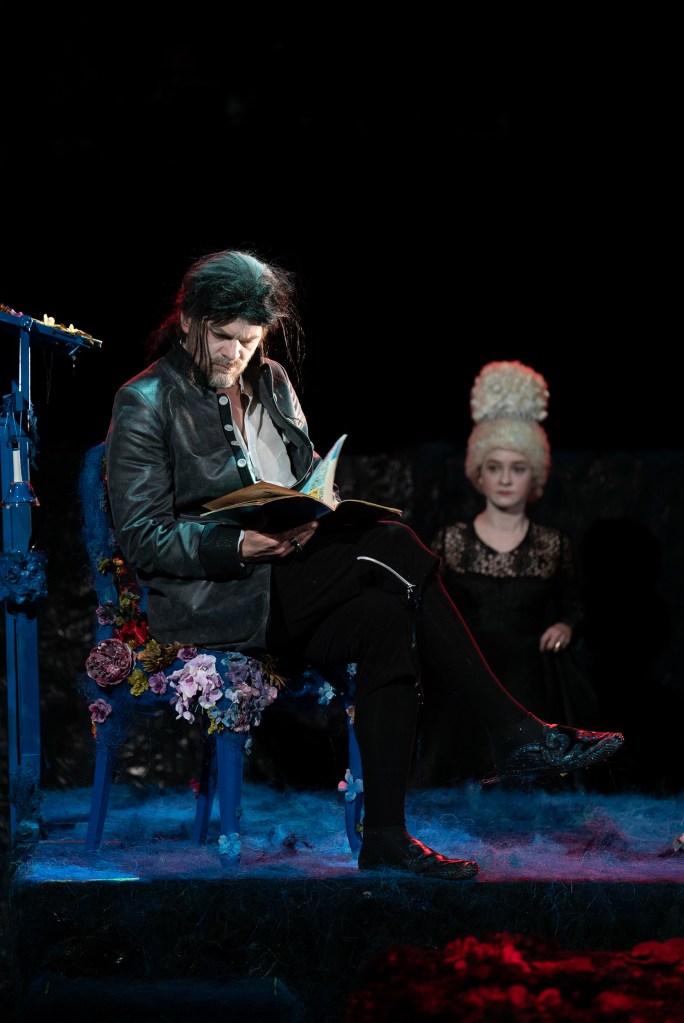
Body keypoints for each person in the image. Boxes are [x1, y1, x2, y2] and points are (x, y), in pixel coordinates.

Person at [104, 249, 624, 881]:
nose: (234, 354)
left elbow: (305, 479)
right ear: (189, 321)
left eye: (250, 339)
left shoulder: (271, 382)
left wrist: (316, 508)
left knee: (384, 621)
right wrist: (239, 545)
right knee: (394, 543)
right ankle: (513, 730)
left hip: (293, 578)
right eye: (222, 337)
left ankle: (385, 838)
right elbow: (144, 537)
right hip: (219, 597)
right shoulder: (145, 399)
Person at [428, 361, 604, 785]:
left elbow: (575, 605)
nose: (505, 479)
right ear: (478, 473)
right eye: (494, 467)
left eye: (517, 468)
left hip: (532, 679)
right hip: (468, 677)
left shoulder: (553, 544)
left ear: (535, 474)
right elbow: (428, 607)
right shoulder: (451, 540)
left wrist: (565, 625)